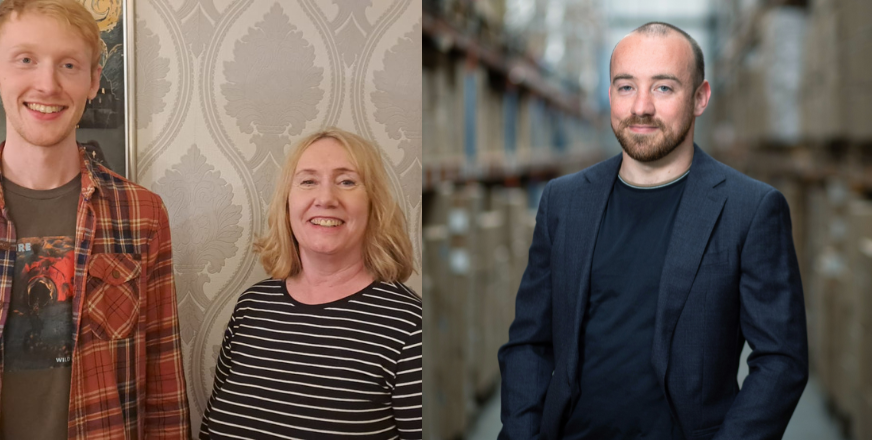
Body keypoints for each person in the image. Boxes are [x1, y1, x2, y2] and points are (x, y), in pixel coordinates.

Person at [498, 22, 808, 440]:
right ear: (610, 95)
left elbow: (781, 360)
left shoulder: (750, 209)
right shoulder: (564, 202)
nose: (641, 106)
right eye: (626, 87)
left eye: (663, 88)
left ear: (700, 98)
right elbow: (529, 344)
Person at [0, 0, 190, 437]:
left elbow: (163, 382)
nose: (48, 83)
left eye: (68, 64)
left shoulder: (143, 214)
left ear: (93, 82)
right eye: (26, 59)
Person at [200, 128, 422, 439]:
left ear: (374, 203)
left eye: (347, 182)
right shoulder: (252, 307)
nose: (326, 198)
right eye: (308, 181)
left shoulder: (409, 327)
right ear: (287, 202)